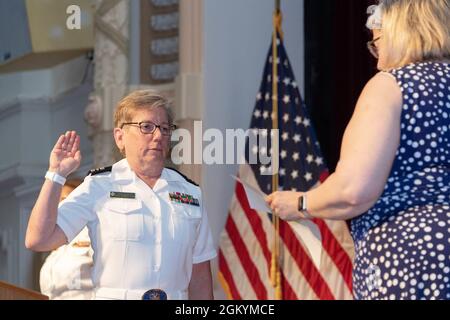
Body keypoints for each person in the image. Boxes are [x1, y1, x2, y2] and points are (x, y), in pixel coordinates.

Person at [266, 0, 449, 300]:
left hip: (412, 260)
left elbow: (354, 189)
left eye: (377, 43)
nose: (377, 61)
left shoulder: (392, 86)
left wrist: (300, 203)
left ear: (400, 31)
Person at [26, 90, 217, 300]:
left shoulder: (190, 193)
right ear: (120, 137)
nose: (158, 136)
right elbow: (39, 239)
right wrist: (56, 175)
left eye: (164, 128)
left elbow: (199, 277)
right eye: (146, 127)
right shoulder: (98, 186)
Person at [39, 178, 94, 300]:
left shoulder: (92, 234)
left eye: (65, 200)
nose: (59, 206)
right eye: (56, 201)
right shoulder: (52, 244)